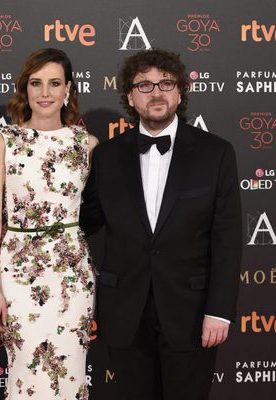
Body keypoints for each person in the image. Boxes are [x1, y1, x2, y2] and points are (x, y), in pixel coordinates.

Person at [80, 48, 242, 400]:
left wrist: (219, 311)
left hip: (192, 313)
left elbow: (228, 239)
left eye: (165, 83)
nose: (156, 92)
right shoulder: (106, 156)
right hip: (125, 312)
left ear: (180, 91)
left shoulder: (216, 153)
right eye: (144, 85)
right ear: (129, 97)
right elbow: (83, 222)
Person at [0, 48, 98, 399]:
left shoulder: (88, 146)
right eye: (36, 83)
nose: (45, 93)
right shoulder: (3, 143)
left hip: (73, 277)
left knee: (71, 374)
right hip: (17, 276)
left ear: (68, 90)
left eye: (54, 83)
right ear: (25, 89)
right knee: (25, 376)